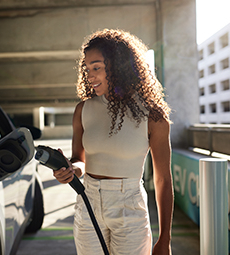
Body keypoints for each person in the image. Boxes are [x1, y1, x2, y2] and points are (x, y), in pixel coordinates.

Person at [53, 29, 173, 255]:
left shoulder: (153, 116)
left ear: (119, 66)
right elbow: (80, 160)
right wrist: (70, 169)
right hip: (88, 204)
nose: (90, 75)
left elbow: (163, 179)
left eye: (96, 67)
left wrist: (164, 237)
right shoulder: (83, 110)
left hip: (129, 207)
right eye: (87, 69)